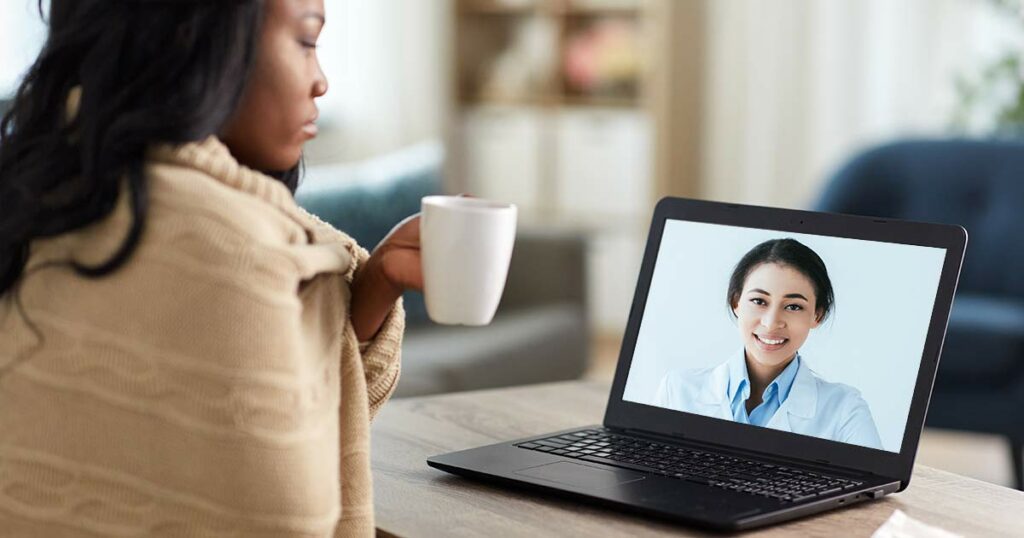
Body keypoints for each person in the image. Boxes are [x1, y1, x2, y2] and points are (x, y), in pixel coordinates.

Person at [0, 1, 421, 536]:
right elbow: (285, 493)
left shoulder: (41, 197)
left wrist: (375, 285)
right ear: (195, 39)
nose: (322, 82)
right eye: (307, 42)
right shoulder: (237, 252)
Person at [654, 239, 883, 450]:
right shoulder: (677, 391)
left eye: (793, 306)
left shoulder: (845, 409)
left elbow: (875, 489)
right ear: (736, 303)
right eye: (759, 301)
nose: (771, 323)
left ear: (817, 315)